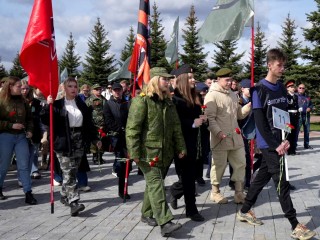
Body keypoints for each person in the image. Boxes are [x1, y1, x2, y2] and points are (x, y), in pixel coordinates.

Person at [237, 49, 315, 240]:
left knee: (262, 176)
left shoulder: (280, 87)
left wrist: (287, 136)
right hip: (269, 143)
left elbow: (284, 115)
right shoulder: (259, 90)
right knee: (282, 183)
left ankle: (245, 210)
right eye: (279, 65)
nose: (282, 68)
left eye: (283, 65)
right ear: (269, 65)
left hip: (281, 140)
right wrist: (275, 145)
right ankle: (295, 224)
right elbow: (260, 122)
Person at [126, 67, 186, 237]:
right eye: (164, 79)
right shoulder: (141, 101)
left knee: (153, 185)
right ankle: (165, 222)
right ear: (154, 81)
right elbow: (132, 129)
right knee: (157, 185)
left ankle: (146, 213)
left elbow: (176, 128)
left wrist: (180, 147)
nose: (168, 82)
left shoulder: (168, 102)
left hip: (165, 153)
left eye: (169, 79)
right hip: (148, 154)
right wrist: (134, 153)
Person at [43, 77, 101, 216]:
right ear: (64, 88)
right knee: (68, 172)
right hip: (64, 141)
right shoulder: (57, 104)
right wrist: (47, 106)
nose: (73, 89)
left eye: (75, 86)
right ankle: (74, 202)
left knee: (73, 171)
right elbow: (45, 119)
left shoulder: (81, 104)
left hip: (79, 140)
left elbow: (89, 124)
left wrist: (95, 139)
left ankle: (64, 195)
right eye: (70, 86)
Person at [204, 68, 251, 204]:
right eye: (227, 80)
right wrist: (218, 133)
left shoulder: (233, 95)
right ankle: (215, 192)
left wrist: (249, 106)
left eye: (231, 79)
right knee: (219, 166)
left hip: (235, 137)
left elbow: (239, 115)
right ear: (218, 80)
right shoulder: (211, 96)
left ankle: (239, 193)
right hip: (220, 138)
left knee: (241, 163)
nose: (230, 82)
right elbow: (210, 119)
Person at [169, 64, 205, 222]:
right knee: (188, 178)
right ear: (182, 79)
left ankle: (175, 193)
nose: (193, 79)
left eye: (193, 77)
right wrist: (193, 122)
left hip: (195, 143)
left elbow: (197, 116)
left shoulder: (194, 96)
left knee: (191, 177)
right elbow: (175, 122)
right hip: (181, 144)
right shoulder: (175, 99)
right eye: (190, 77)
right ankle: (191, 209)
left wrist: (202, 119)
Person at [0, 76, 37, 204]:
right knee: (3, 165)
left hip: (21, 137)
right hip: (5, 136)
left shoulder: (23, 101)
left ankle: (28, 192)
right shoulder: (1, 101)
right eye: (18, 86)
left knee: (24, 165)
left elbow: (30, 119)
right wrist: (10, 125)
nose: (21, 88)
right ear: (10, 87)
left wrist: (30, 131)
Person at [103, 82, 131, 199]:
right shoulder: (108, 104)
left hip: (128, 136)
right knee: (122, 163)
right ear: (112, 91)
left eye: (119, 89)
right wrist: (120, 129)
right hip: (117, 138)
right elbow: (108, 120)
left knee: (128, 165)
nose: (117, 92)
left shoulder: (127, 102)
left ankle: (124, 187)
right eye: (115, 90)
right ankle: (122, 191)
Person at [20, 80, 43, 180]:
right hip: (20, 131)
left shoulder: (36, 102)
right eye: (23, 89)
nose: (25, 91)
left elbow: (39, 116)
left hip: (34, 130)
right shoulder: (16, 101)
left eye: (26, 89)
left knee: (34, 152)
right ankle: (24, 174)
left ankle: (34, 170)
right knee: (24, 154)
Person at [86, 83, 107, 164]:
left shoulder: (104, 99)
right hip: (94, 124)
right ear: (93, 91)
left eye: (100, 89)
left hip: (103, 124)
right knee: (95, 141)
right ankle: (95, 157)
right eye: (96, 89)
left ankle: (100, 157)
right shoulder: (90, 100)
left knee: (103, 140)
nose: (99, 91)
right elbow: (86, 111)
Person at [297, 83, 313, 149]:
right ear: (297, 88)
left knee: (307, 131)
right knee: (296, 131)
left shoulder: (307, 97)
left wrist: (310, 108)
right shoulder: (295, 96)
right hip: (298, 116)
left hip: (306, 116)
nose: (301, 89)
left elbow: (311, 105)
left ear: (305, 89)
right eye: (300, 87)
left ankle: (306, 145)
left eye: (303, 88)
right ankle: (294, 145)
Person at [285, 80, 299, 155]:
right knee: (288, 134)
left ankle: (293, 150)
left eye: (293, 87)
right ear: (287, 88)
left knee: (294, 133)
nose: (293, 88)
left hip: (295, 116)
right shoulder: (286, 96)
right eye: (291, 87)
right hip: (289, 116)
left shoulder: (296, 96)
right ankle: (288, 150)